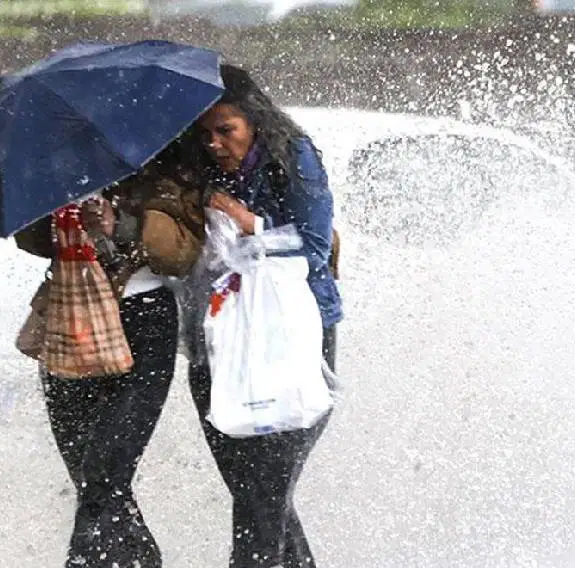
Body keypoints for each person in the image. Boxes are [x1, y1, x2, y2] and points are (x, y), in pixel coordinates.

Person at [14, 141, 206, 568]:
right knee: (90, 478)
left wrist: (119, 223)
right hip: (70, 316)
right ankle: (142, 559)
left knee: (104, 473)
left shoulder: (163, 156)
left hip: (144, 322)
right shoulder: (55, 157)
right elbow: (29, 237)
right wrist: (52, 206)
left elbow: (181, 253)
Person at [181, 63, 343, 568]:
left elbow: (315, 246)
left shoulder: (292, 157)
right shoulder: (199, 171)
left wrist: (248, 222)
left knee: (264, 493)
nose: (215, 143)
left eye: (225, 130)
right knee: (255, 492)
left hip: (289, 335)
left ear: (254, 121)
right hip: (219, 338)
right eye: (204, 133)